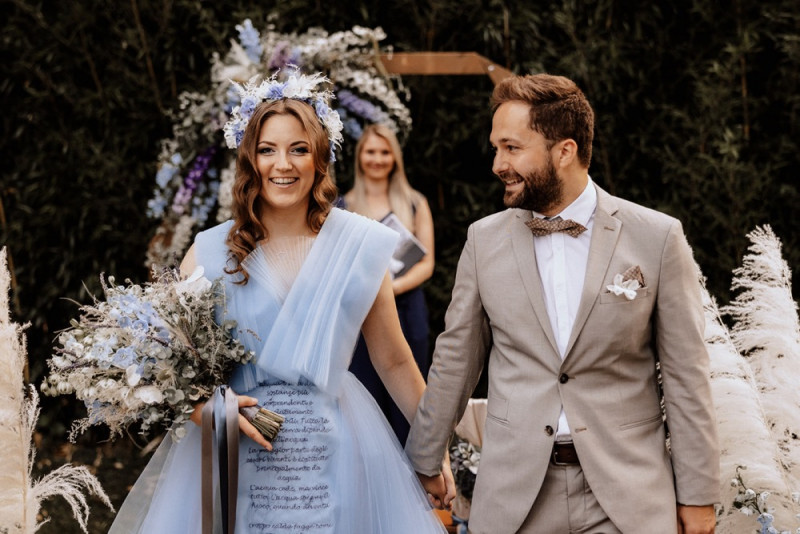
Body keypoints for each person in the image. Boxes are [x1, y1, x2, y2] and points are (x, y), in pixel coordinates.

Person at [110, 72, 453, 533]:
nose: (282, 164)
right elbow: (164, 361)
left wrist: (434, 450)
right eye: (267, 149)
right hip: (236, 453)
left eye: (298, 148)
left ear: (320, 158)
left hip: (336, 451)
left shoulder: (361, 245)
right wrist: (202, 406)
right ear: (249, 158)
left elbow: (393, 360)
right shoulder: (209, 252)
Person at [406, 73, 720, 533]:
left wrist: (698, 495)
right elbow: (457, 358)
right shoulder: (483, 240)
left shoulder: (656, 237)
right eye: (496, 148)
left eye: (512, 148)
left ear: (565, 151)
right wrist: (424, 457)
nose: (497, 163)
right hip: (516, 495)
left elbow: (685, 374)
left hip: (628, 495)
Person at [339, 123, 435, 445]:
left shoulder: (414, 203)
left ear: (394, 157)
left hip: (408, 312)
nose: (377, 159)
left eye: (384, 152)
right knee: (367, 401)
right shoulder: (345, 207)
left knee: (407, 397)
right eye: (370, 151)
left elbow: (428, 262)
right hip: (361, 319)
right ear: (359, 156)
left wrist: (391, 290)